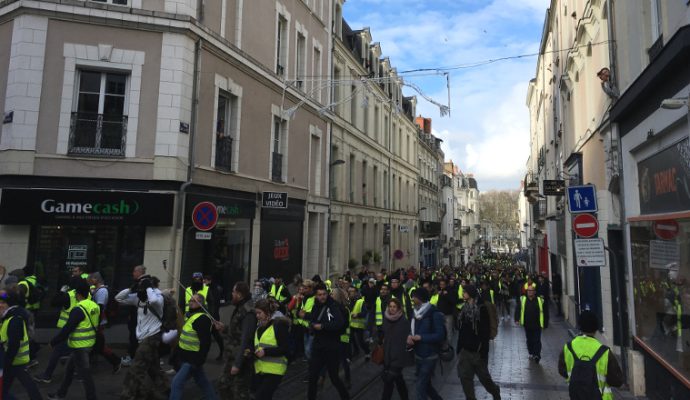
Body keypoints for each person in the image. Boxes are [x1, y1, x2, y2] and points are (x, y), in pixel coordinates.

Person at [115, 266, 168, 400]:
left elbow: (154, 300)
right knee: (153, 368)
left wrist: (148, 287)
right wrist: (131, 289)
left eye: (141, 289)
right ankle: (166, 390)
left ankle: (128, 395)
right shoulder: (138, 299)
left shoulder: (157, 297)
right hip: (142, 337)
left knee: (136, 368)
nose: (140, 291)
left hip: (152, 336)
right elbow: (118, 298)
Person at [47, 279, 99, 400]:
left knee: (85, 376)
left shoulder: (78, 309)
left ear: (78, 294)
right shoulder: (94, 305)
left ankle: (92, 397)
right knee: (69, 371)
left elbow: (67, 329)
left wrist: (53, 342)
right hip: (88, 344)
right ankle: (60, 394)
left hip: (80, 346)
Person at [558, 311, 623, 399]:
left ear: (580, 326)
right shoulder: (604, 352)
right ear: (596, 329)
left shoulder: (568, 347)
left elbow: (562, 370)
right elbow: (617, 381)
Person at [33, 276, 83, 383]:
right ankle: (78, 373)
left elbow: (53, 303)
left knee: (57, 351)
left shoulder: (68, 296)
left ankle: (47, 375)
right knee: (75, 352)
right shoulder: (86, 295)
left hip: (68, 329)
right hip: (81, 329)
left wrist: (61, 292)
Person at [456, 285, 501, 400]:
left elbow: (485, 332)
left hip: (478, 351)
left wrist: (483, 351)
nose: (463, 293)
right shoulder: (464, 308)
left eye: (465, 292)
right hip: (465, 350)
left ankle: (495, 390)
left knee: (484, 378)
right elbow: (462, 330)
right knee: (465, 378)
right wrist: (459, 347)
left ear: (470, 293)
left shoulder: (481, 309)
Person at [169, 293, 217, 400]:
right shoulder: (190, 315)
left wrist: (199, 360)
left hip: (192, 360)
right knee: (203, 382)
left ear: (201, 303)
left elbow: (205, 343)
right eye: (190, 300)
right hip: (186, 357)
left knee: (176, 383)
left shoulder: (202, 319)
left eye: (193, 301)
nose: (190, 302)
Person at [307, 283, 350, 400]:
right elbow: (312, 319)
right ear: (316, 296)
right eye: (319, 295)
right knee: (312, 377)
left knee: (334, 377)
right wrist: (312, 325)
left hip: (332, 347)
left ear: (327, 294)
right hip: (318, 346)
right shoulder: (316, 306)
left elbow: (339, 323)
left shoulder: (333, 306)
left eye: (324, 294)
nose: (322, 297)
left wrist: (323, 326)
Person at [215, 281, 256, 400]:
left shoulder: (248, 312)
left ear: (239, 294)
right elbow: (237, 331)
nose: (231, 294)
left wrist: (237, 364)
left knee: (239, 392)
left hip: (240, 359)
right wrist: (224, 328)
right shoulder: (239, 307)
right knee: (223, 385)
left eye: (233, 292)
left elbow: (246, 339)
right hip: (231, 356)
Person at [0, 289, 43, 400]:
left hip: (13, 360)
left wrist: (7, 363)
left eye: (2, 302)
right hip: (14, 360)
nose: (0, 305)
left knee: (3, 391)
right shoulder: (11, 316)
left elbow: (14, 345)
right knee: (27, 386)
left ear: (9, 304)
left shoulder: (14, 319)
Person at [408, 287, 445, 400]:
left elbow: (440, 335)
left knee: (420, 387)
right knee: (426, 385)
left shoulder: (434, 313)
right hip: (418, 353)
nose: (412, 298)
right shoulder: (415, 312)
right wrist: (410, 336)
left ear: (420, 298)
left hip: (430, 355)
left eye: (414, 296)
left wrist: (421, 337)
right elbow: (413, 330)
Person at [253, 298, 290, 400]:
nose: (257, 316)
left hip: (275, 371)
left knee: (260, 397)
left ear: (267, 312)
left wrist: (265, 352)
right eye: (256, 313)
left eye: (259, 313)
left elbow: (286, 348)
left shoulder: (279, 326)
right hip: (260, 369)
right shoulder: (259, 328)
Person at [88, 272, 122, 373]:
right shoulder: (98, 290)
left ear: (96, 279)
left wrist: (96, 322)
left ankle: (115, 361)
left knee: (99, 345)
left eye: (91, 279)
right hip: (98, 321)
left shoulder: (102, 291)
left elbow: (100, 307)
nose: (89, 281)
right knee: (97, 344)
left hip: (99, 322)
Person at [380, 297, 410, 400]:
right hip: (387, 355)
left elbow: (402, 343)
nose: (392, 309)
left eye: (394, 307)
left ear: (398, 308)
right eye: (390, 306)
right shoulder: (386, 319)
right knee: (398, 380)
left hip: (397, 358)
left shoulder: (403, 321)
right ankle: (405, 397)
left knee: (388, 382)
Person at [515, 284, 547, 363]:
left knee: (537, 340)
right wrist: (516, 319)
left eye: (531, 290)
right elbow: (518, 309)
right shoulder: (523, 299)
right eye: (528, 290)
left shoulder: (540, 300)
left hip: (537, 324)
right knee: (529, 340)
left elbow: (545, 312)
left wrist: (545, 323)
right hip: (527, 324)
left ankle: (537, 355)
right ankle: (531, 352)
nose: (530, 292)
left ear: (534, 292)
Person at [203, 274, 225, 361]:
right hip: (210, 315)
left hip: (213, 316)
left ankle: (222, 352)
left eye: (205, 280)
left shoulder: (213, 290)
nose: (204, 282)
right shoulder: (209, 289)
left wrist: (213, 318)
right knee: (210, 335)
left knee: (214, 335)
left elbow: (214, 305)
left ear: (209, 281)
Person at [347, 286, 370, 361]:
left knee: (360, 341)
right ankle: (353, 353)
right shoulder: (348, 301)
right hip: (350, 325)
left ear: (356, 292)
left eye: (352, 291)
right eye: (349, 291)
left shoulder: (360, 301)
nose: (350, 293)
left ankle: (367, 352)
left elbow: (365, 312)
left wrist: (357, 315)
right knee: (349, 340)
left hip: (359, 325)